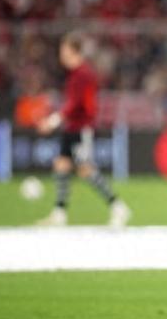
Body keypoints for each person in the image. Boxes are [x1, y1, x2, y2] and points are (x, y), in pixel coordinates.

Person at [37, 32, 131, 227]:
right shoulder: (76, 74)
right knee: (61, 164)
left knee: (85, 169)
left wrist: (53, 121)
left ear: (73, 51)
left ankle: (117, 205)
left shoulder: (83, 74)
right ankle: (59, 212)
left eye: (64, 50)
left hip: (81, 129)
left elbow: (75, 104)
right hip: (71, 127)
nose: (61, 55)